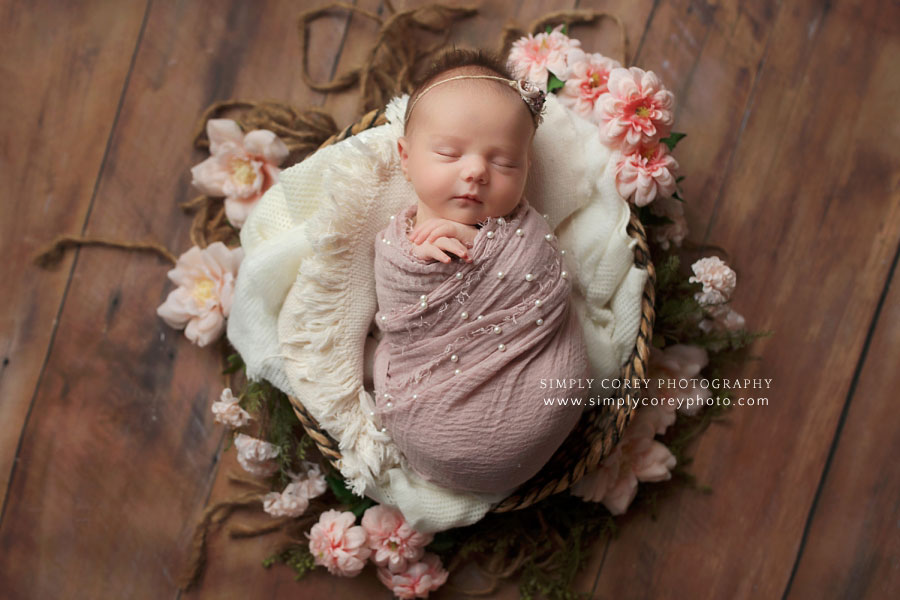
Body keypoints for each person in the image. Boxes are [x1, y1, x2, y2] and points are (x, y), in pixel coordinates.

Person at [371, 49, 590, 495]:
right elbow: (400, 314)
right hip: (433, 426)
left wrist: (480, 246)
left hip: (540, 404)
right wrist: (419, 265)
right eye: (450, 153)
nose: (475, 171)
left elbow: (546, 276)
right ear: (406, 158)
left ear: (526, 170)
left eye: (504, 162)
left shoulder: (525, 232)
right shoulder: (395, 247)